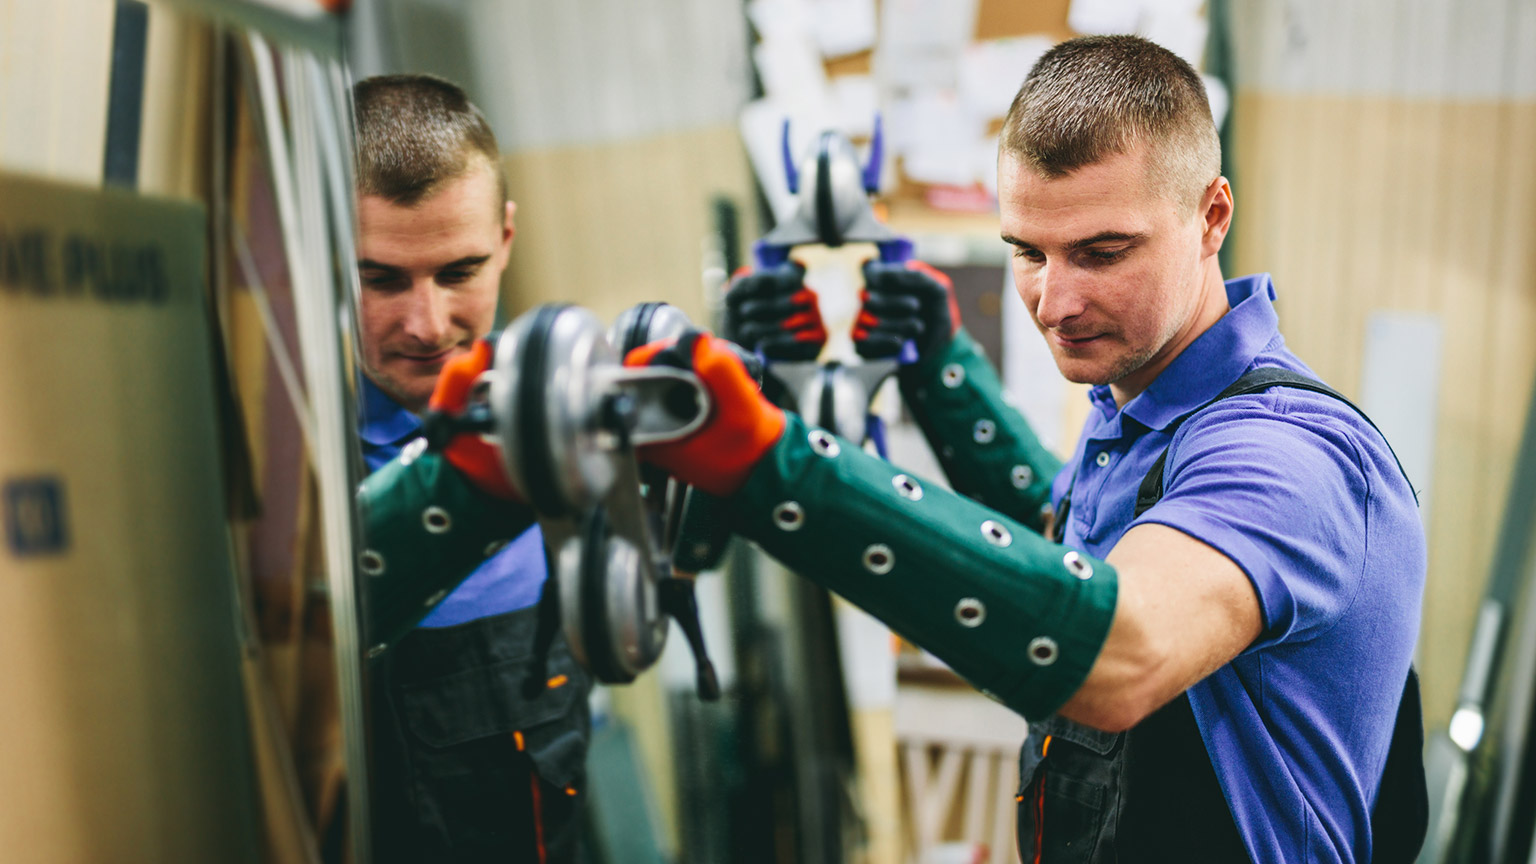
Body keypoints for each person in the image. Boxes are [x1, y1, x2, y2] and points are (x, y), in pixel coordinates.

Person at [634, 35, 1425, 863]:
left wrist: (769, 464)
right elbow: (1069, 546)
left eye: (1102, 252)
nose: (1054, 302)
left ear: (1211, 217)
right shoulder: (1143, 405)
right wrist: (939, 370)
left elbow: (1120, 646)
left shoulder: (1286, 457)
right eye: (1027, 252)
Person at [349, 74, 589, 864]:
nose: (427, 324)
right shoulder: (277, 472)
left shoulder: (559, 427)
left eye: (459, 272)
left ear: (507, 240)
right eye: (381, 278)